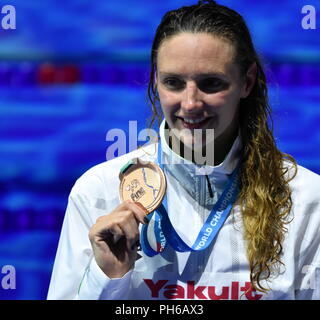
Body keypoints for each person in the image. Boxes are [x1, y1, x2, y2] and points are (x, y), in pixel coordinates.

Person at [47, 0, 320, 300]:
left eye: (211, 83)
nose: (191, 103)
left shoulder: (304, 199)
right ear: (155, 82)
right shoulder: (99, 190)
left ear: (247, 81)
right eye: (174, 83)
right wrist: (109, 281)